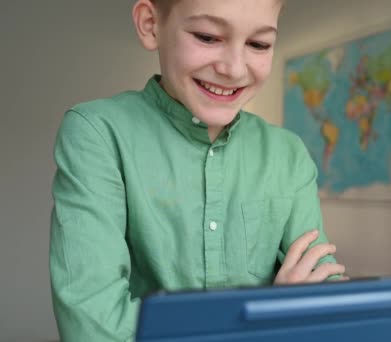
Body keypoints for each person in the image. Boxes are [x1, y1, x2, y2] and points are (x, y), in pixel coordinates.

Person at [49, 0, 347, 340]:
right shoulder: (97, 133)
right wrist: (265, 320)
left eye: (259, 44)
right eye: (207, 37)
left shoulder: (289, 155)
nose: (234, 69)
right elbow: (92, 324)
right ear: (150, 24)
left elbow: (327, 312)